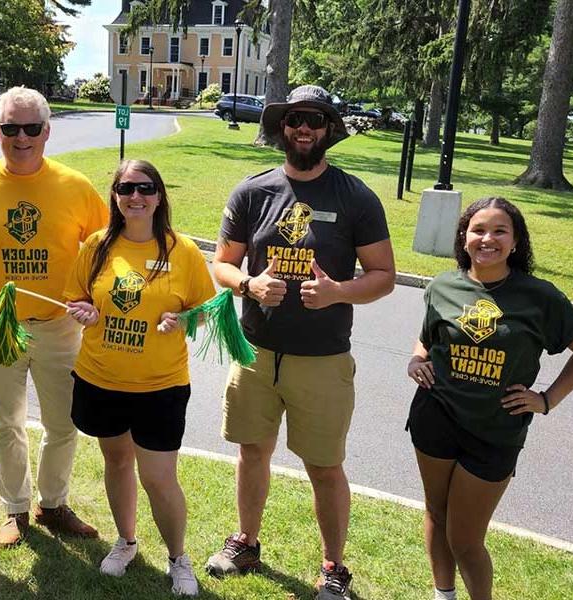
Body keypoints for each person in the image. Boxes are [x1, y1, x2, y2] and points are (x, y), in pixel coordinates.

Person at [205, 84, 396, 600]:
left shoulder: (355, 196)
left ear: (329, 128)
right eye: (294, 120)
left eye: (313, 119)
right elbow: (222, 263)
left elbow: (383, 276)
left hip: (323, 357)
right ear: (282, 127)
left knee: (325, 465)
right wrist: (248, 283)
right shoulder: (252, 191)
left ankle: (334, 567)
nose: (303, 128)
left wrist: (338, 292)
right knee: (251, 450)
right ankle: (246, 541)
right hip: (255, 351)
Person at [405, 197, 573, 600]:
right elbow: (428, 340)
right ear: (464, 237)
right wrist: (415, 360)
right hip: (435, 416)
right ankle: (443, 595)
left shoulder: (539, 297)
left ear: (515, 241)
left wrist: (547, 399)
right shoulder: (444, 285)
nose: (487, 239)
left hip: (495, 432)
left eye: (499, 231)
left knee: (465, 539)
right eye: (478, 230)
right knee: (436, 513)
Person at [0, 86, 108, 546]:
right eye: (11, 128)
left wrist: (94, 301)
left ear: (47, 131)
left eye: (32, 128)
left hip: (59, 326)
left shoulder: (74, 186)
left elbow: (104, 251)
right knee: (7, 422)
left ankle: (52, 504)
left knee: (64, 422)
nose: (22, 137)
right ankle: (14, 509)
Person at [62, 160, 215, 596]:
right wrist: (85, 311)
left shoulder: (182, 251)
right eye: (127, 188)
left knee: (158, 476)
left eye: (145, 188)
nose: (136, 197)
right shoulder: (96, 247)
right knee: (116, 460)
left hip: (160, 386)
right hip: (101, 379)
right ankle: (126, 542)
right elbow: (75, 297)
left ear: (160, 196)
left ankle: (177, 558)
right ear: (115, 196)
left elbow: (206, 311)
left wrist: (183, 320)